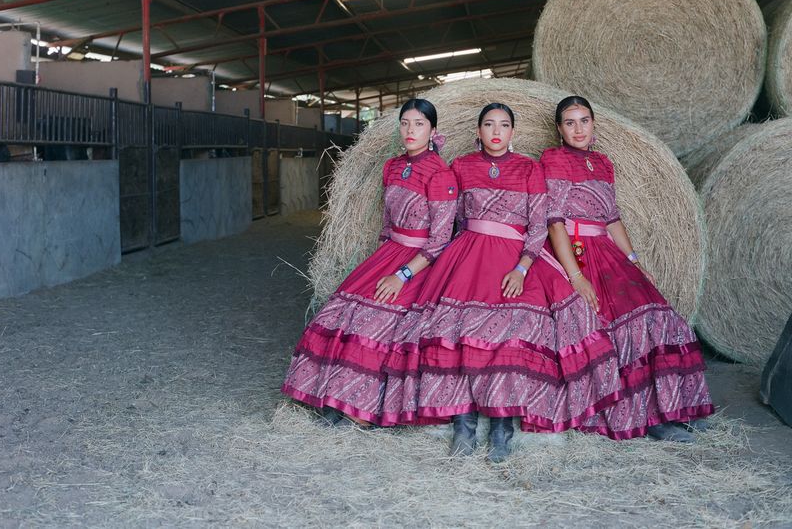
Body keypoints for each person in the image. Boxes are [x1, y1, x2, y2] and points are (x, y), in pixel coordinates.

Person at [386, 103, 621, 461]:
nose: (496, 131)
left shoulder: (530, 168)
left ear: (513, 132)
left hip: (518, 259)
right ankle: (463, 424)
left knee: (515, 333)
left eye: (504, 125)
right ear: (477, 132)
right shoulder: (460, 166)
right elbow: (452, 220)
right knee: (458, 333)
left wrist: (523, 267)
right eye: (489, 125)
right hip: (467, 256)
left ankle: (501, 427)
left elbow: (539, 226)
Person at [540, 95, 714, 442]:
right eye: (570, 122)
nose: (578, 129)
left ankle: (674, 406)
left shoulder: (604, 163)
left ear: (593, 125)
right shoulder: (554, 159)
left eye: (584, 121)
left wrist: (635, 261)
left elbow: (613, 218)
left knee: (661, 317)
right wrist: (576, 275)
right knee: (621, 327)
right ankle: (647, 418)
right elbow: (555, 222)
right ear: (559, 130)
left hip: (607, 250)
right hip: (575, 251)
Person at [281, 98, 458, 427]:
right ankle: (332, 395)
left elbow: (441, 239)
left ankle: (362, 413)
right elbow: (387, 226)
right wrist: (379, 264)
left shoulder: (442, 175)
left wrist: (401, 275)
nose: (410, 130)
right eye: (405, 123)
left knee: (376, 323)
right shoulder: (391, 167)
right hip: (390, 253)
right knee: (340, 310)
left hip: (422, 263)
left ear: (433, 131)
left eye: (419, 124)